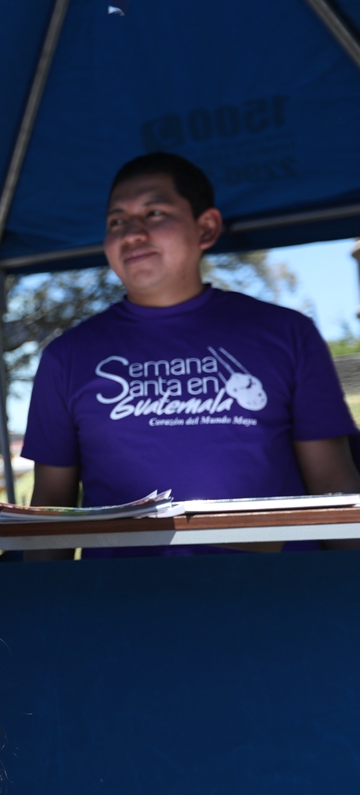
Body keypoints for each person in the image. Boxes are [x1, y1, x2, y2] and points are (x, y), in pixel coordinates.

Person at [22, 152, 360, 557]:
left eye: (154, 213)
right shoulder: (66, 357)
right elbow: (51, 507)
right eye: (117, 221)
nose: (132, 233)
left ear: (207, 227)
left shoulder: (287, 333)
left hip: (277, 600)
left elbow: (333, 485)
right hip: (123, 604)